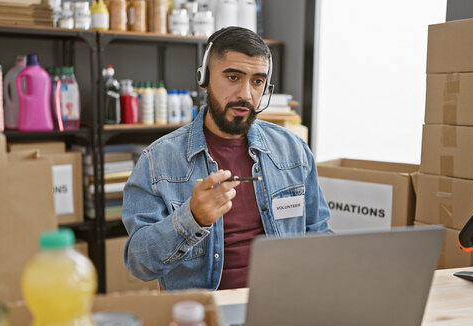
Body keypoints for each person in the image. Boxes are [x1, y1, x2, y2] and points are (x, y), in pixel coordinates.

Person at [122, 26, 331, 291]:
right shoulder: (158, 160)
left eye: (257, 81)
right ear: (205, 78)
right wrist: (192, 218)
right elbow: (139, 263)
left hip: (283, 304)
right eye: (233, 77)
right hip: (206, 313)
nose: (246, 94)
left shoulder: (293, 150)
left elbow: (319, 234)